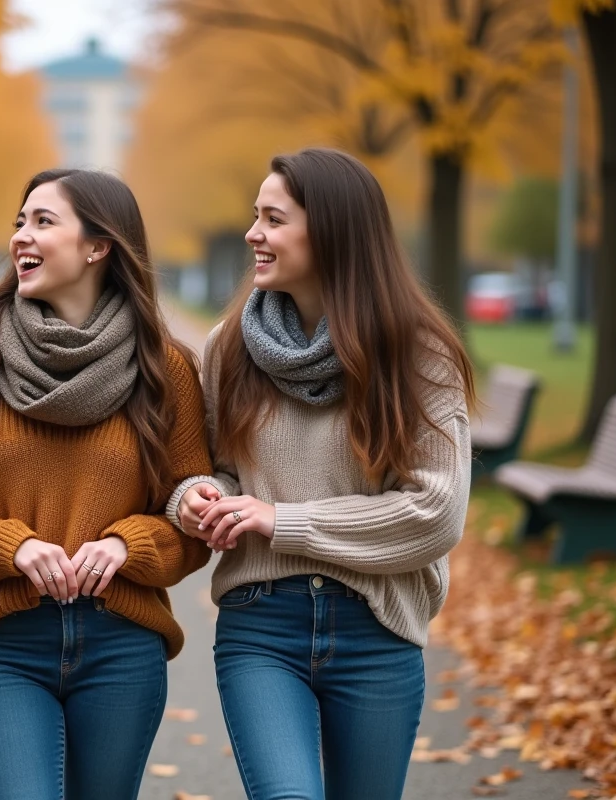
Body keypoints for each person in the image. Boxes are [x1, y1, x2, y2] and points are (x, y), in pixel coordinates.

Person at [172, 148, 475, 800]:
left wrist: (280, 520)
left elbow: (436, 513)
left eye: (273, 219)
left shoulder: (418, 353)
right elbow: (220, 472)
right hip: (261, 625)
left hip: (379, 628)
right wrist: (203, 500)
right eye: (255, 217)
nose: (254, 233)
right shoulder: (230, 347)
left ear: (332, 229)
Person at [0, 169, 213, 800]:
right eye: (19, 222)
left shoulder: (167, 368)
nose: (21, 236)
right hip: (5, 641)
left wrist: (127, 545)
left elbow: (193, 516)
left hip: (123, 645)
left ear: (98, 245)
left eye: (43, 221)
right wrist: (12, 545)